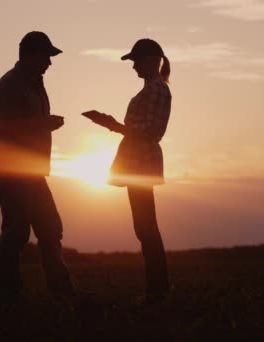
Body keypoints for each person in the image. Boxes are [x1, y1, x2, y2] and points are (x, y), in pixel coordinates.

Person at [82, 38, 172, 302]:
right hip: (138, 160)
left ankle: (157, 289)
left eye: (136, 61)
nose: (133, 67)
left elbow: (149, 131)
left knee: (146, 227)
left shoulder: (156, 90)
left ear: (150, 61)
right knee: (144, 226)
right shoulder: (153, 89)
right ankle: (158, 287)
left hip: (141, 161)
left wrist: (111, 124)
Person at [0, 31, 75, 301]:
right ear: (30, 56)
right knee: (16, 232)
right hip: (13, 170)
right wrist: (44, 124)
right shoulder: (10, 85)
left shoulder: (33, 83)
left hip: (32, 171)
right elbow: (3, 127)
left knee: (50, 228)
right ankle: (8, 294)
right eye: (46, 57)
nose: (49, 63)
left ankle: (61, 290)